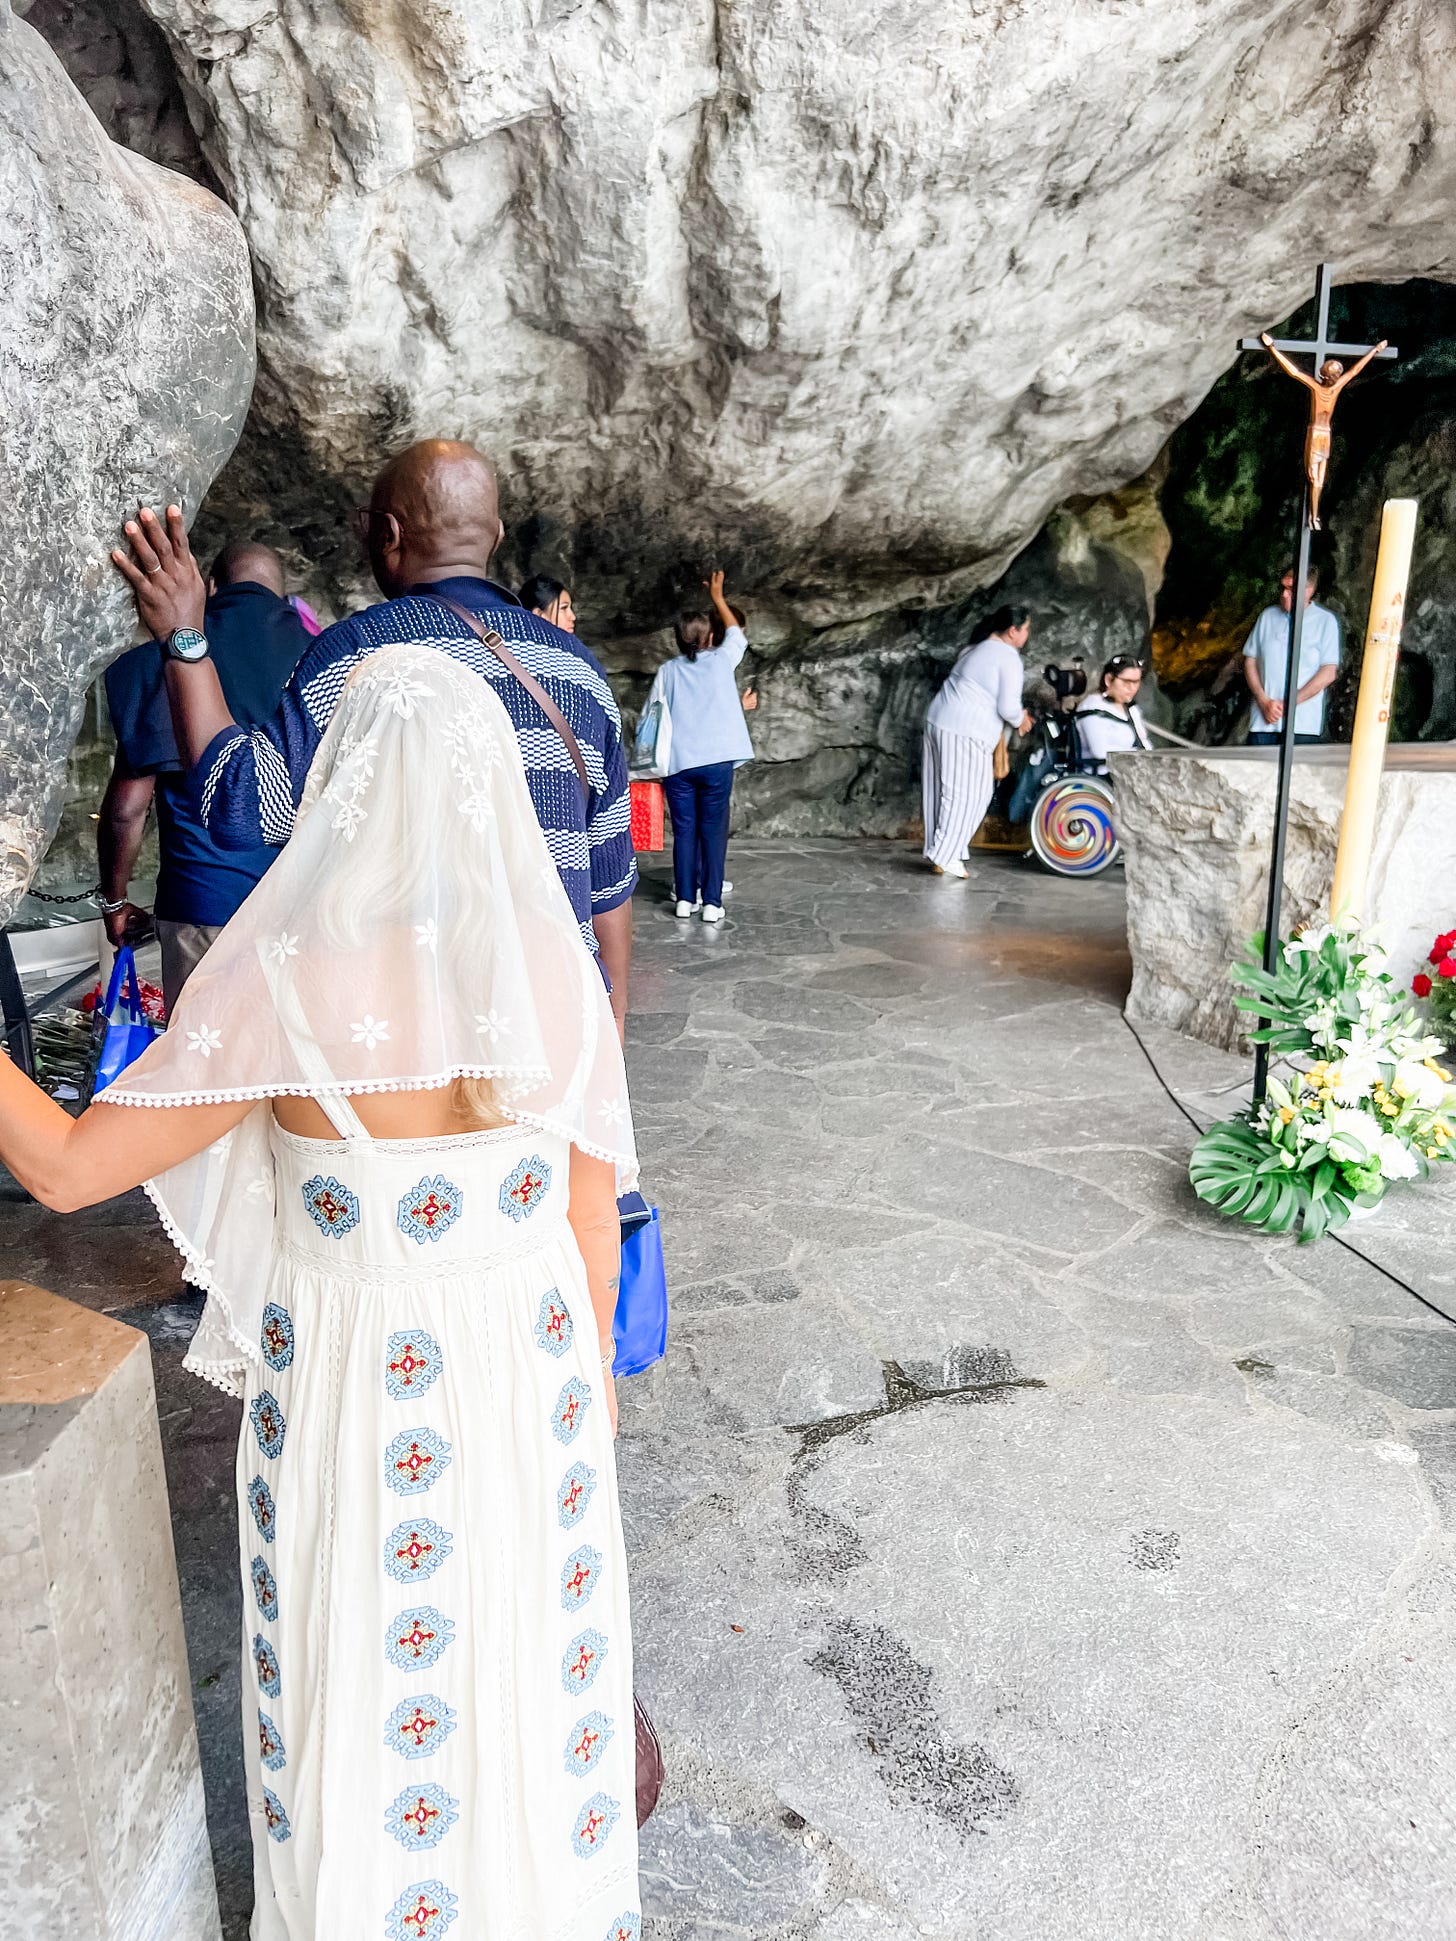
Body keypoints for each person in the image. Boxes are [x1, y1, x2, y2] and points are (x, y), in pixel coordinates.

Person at [0, 645, 642, 1939]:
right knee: (521, 1660)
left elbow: (63, 1171)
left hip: (360, 1394)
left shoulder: (282, 978)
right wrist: (587, 1428)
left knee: (364, 1664)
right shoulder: (553, 966)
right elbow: (591, 1224)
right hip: (536, 1385)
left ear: (336, 785)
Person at [109, 443, 637, 1036]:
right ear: (496, 535)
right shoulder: (581, 672)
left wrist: (183, 634)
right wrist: (609, 1038)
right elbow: (608, 884)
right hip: (555, 1022)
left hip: (422, 1036)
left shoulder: (363, 653)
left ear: (388, 534)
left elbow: (243, 803)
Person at [99, 541, 311, 1012]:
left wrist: (114, 901)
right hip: (305, 909)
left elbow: (127, 811)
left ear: (210, 588)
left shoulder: (159, 659)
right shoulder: (322, 657)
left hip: (202, 903)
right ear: (284, 595)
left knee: (205, 1051)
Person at [649, 571, 756, 923]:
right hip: (716, 764)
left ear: (678, 641)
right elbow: (737, 634)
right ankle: (711, 903)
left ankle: (684, 900)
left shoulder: (667, 670)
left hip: (678, 765)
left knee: (684, 833)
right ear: (710, 637)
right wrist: (718, 598)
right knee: (712, 832)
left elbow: (653, 716)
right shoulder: (722, 661)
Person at [922, 605, 1034, 877]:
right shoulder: (1008, 657)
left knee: (939, 788)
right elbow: (1007, 707)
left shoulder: (974, 650)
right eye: (1026, 629)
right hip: (966, 728)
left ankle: (946, 849)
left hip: (938, 719)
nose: (1028, 634)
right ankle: (946, 854)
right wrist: (1021, 719)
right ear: (1013, 631)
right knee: (968, 793)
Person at [1243, 566, 1341, 746]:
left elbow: (1328, 672)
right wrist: (1263, 701)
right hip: (1263, 722)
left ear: (1309, 591)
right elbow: (1250, 661)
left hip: (1302, 723)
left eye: (1291, 589)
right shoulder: (1268, 616)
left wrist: (1290, 703)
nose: (1284, 594)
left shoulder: (1325, 621)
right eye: (1283, 587)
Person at [1073, 654, 1152, 772]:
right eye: (1127, 682)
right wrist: (1138, 753)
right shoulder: (1092, 707)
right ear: (1109, 680)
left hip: (1132, 770)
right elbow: (1100, 752)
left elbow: (1144, 741)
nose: (1132, 688)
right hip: (1102, 774)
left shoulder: (1131, 709)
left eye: (1136, 682)